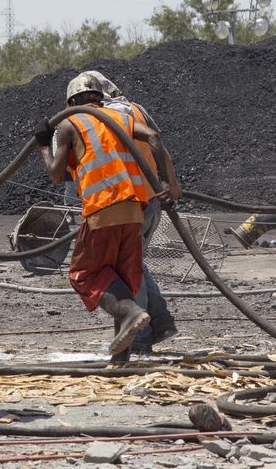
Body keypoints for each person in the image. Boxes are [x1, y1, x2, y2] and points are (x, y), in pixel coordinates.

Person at [35, 72, 179, 356]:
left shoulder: (68, 124)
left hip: (103, 209)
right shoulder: (122, 118)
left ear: (72, 101)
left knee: (83, 274)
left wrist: (43, 145)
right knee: (124, 279)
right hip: (134, 210)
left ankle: (129, 315)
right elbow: (153, 136)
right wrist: (167, 183)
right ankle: (121, 357)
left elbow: (55, 175)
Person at [86, 71, 180, 360]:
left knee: (127, 271)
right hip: (150, 199)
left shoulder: (101, 119)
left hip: (126, 202)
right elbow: (158, 144)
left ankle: (139, 340)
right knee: (135, 263)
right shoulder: (136, 109)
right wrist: (171, 185)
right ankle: (161, 323)